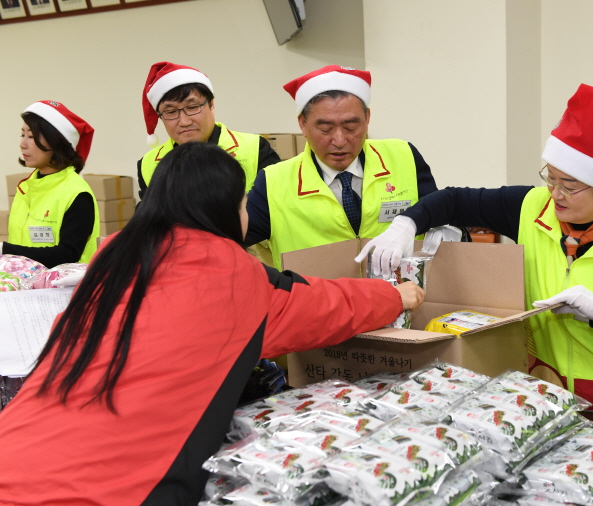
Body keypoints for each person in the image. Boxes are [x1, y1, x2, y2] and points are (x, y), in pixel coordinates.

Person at [0, 142, 424, 505]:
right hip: (109, 490)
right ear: (223, 209)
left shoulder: (111, 261)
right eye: (243, 204)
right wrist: (395, 295)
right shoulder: (232, 276)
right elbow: (322, 307)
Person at [357, 84, 593, 427]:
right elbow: (454, 200)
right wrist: (405, 225)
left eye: (569, 185)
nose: (555, 193)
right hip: (553, 400)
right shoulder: (530, 207)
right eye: (549, 178)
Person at [244, 65, 439, 270]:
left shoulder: (403, 156)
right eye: (325, 128)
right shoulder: (274, 182)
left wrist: (447, 227)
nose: (339, 140)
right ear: (303, 124)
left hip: (401, 297)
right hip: (318, 300)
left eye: (351, 127)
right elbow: (228, 242)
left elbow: (437, 213)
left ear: (367, 119)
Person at [137, 61, 281, 199]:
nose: (184, 121)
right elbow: (149, 220)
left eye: (192, 107)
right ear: (160, 117)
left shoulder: (254, 148)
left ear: (211, 104)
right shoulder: (148, 164)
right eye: (171, 112)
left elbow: (271, 210)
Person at [3, 100, 99, 267]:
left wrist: (5, 250)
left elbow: (67, 254)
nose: (22, 144)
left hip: (63, 290)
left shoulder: (76, 193)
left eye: (31, 136)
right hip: (24, 288)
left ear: (56, 142)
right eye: (22, 134)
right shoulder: (26, 188)